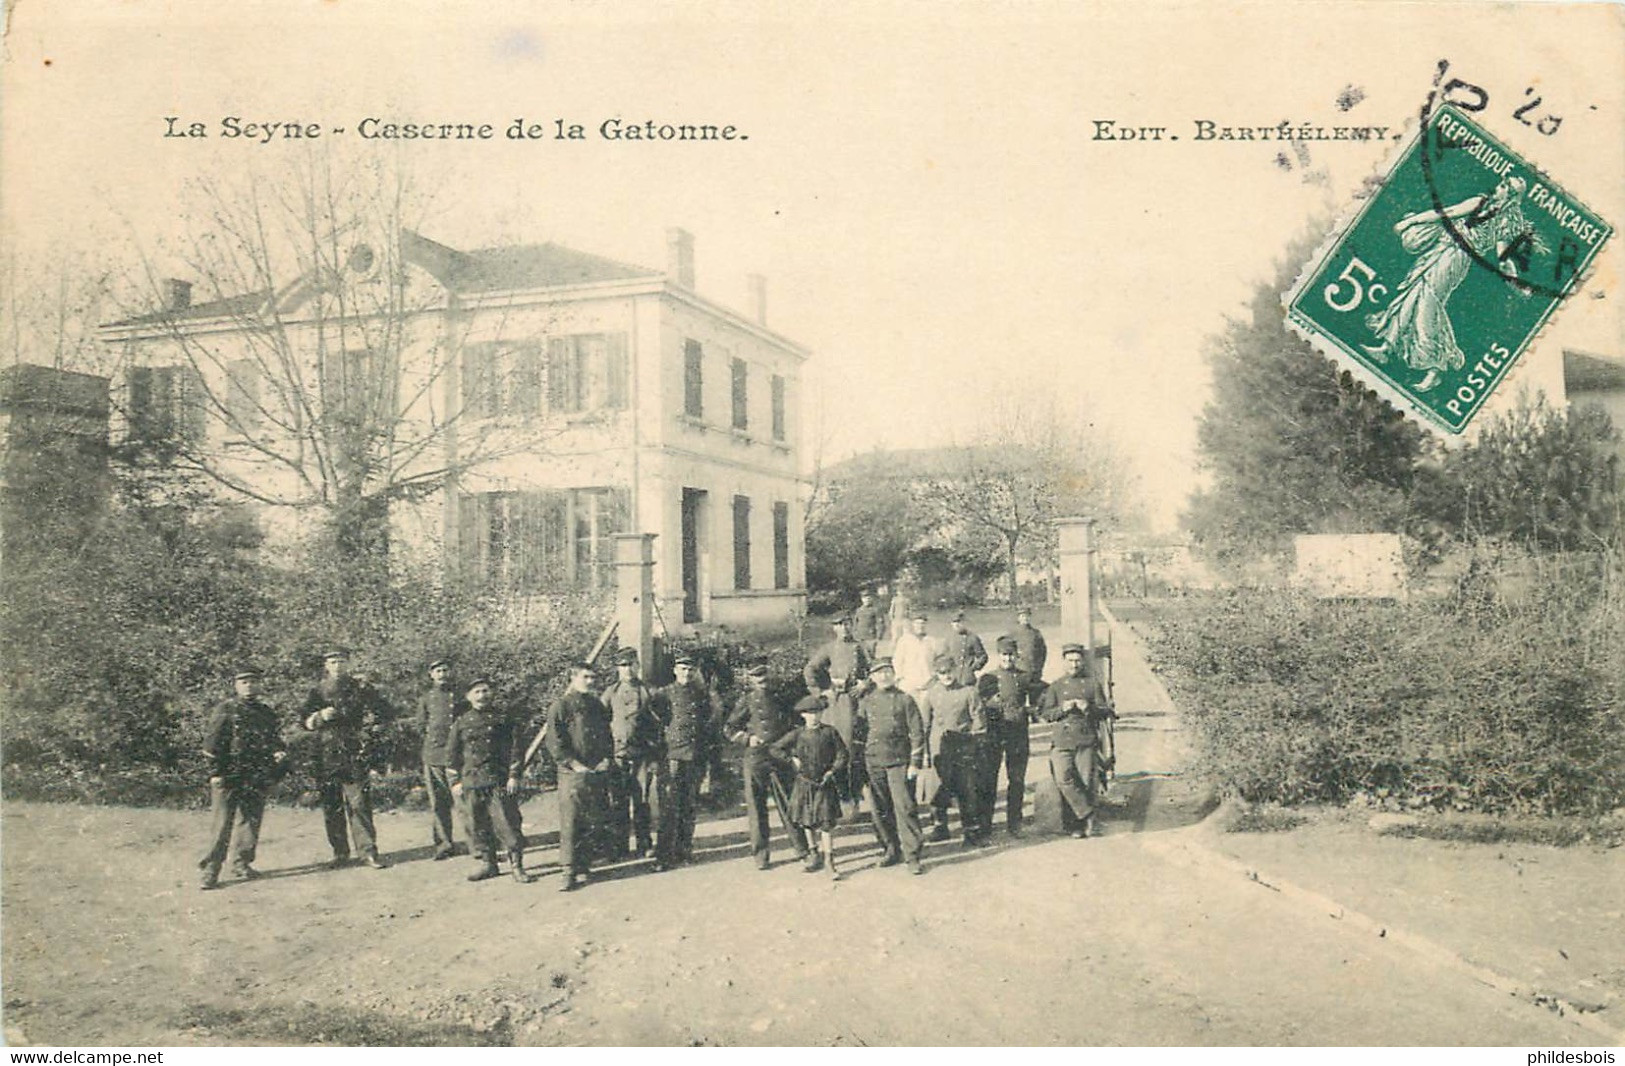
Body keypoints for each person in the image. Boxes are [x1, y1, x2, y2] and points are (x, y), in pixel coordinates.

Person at [1363, 175, 1540, 392]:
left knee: (1428, 304)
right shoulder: (1479, 202)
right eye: (1501, 183)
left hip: (1456, 259)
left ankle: (1435, 366)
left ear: (1512, 196)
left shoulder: (1505, 223)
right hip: (1441, 248)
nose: (1498, 187)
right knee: (1412, 293)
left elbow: (1503, 259)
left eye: (1504, 186)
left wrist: (1517, 283)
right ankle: (1387, 347)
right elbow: (1446, 213)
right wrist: (1412, 221)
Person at [300, 648, 394, 870]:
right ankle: (340, 853)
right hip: (326, 754)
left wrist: (371, 730)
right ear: (326, 666)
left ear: (348, 663)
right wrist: (319, 716)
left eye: (341, 661)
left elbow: (386, 712)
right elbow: (303, 720)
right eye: (333, 662)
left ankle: (368, 852)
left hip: (355, 752)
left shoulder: (361, 688)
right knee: (332, 805)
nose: (337, 666)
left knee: (359, 803)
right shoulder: (317, 691)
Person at [198, 667, 288, 890]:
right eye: (244, 682)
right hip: (229, 773)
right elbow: (211, 745)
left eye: (252, 681)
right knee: (222, 823)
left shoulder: (266, 712)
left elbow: (275, 740)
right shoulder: (225, 709)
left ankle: (241, 863)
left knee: (250, 819)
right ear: (236, 685)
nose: (248, 685)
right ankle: (211, 870)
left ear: (259, 685)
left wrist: (278, 752)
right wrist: (215, 773)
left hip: (256, 773)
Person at [446, 677, 533, 884]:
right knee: (478, 825)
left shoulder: (503, 719)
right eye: (477, 692)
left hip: (498, 780)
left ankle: (517, 866)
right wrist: (455, 781)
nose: (482, 695)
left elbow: (515, 750)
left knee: (508, 823)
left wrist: (514, 776)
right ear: (468, 697)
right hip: (472, 782)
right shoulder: (461, 722)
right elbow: (451, 754)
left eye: (485, 691)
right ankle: (489, 864)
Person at [724, 661, 807, 870]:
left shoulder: (781, 697)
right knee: (756, 807)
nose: (762, 682)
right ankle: (761, 855)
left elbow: (796, 723)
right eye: (757, 678)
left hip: (779, 756)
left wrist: (788, 745)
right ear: (750, 680)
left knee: (789, 803)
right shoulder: (746, 701)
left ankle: (802, 849)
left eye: (764, 677)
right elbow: (729, 728)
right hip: (756, 758)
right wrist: (747, 739)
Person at [547, 662, 616, 891]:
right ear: (573, 677)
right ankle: (568, 870)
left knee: (592, 818)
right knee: (571, 821)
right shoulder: (561, 706)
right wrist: (574, 765)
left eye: (593, 677)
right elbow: (555, 743)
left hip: (596, 770)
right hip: (572, 774)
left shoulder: (596, 705)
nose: (590, 681)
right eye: (585, 677)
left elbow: (607, 735)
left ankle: (584, 865)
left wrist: (607, 758)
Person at [1037, 643, 1115, 839]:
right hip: (1062, 740)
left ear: (1082, 662)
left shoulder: (1092, 684)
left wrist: (1088, 707)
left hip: (1085, 738)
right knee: (1063, 778)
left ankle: (1079, 827)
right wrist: (1061, 709)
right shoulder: (1055, 686)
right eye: (1070, 660)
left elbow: (1105, 711)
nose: (1074, 664)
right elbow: (1046, 714)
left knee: (1086, 782)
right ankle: (1087, 815)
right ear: (1064, 662)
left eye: (1077, 660)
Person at [858, 659, 926, 875]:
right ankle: (890, 849)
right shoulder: (866, 701)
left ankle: (912, 855)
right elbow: (859, 734)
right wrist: (861, 764)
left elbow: (917, 733)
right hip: (874, 761)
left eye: (888, 672)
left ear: (894, 674)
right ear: (872, 677)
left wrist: (914, 763)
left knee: (904, 807)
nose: (884, 676)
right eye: (879, 673)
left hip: (899, 762)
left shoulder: (905, 699)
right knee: (880, 810)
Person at [771, 695, 850, 879]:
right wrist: (792, 760)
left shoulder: (830, 732)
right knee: (806, 820)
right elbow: (775, 748)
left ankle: (830, 861)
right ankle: (813, 854)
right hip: (804, 782)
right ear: (803, 716)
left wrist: (832, 771)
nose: (814, 716)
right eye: (809, 713)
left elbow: (842, 754)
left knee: (826, 823)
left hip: (824, 783)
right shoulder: (797, 734)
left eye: (817, 713)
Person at [655, 654, 722, 869]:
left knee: (689, 807)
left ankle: (684, 851)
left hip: (694, 756)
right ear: (675, 671)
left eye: (690, 670)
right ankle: (663, 856)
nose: (687, 673)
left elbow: (709, 724)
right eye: (683, 669)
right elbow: (651, 722)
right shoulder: (663, 694)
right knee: (669, 808)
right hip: (673, 756)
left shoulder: (701, 695)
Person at [916, 652, 988, 846]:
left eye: (949, 671)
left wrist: (972, 744)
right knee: (937, 789)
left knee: (966, 789)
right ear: (936, 674)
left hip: (963, 748)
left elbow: (979, 722)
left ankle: (970, 830)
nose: (946, 676)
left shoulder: (968, 692)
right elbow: (923, 725)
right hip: (938, 749)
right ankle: (940, 827)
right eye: (941, 673)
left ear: (956, 670)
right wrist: (924, 753)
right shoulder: (931, 694)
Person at [602, 647, 665, 861]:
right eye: (623, 665)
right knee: (618, 801)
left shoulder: (649, 691)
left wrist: (655, 756)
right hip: (618, 756)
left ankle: (644, 843)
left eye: (631, 664)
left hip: (642, 756)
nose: (627, 669)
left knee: (642, 801)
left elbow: (660, 725)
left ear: (637, 665)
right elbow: (600, 723)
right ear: (617, 668)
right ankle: (619, 846)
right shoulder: (611, 692)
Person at [977, 637, 1041, 837]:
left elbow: (1042, 697)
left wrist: (1029, 710)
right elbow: (978, 707)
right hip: (994, 735)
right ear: (999, 655)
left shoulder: (1024, 677)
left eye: (1011, 654)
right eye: (1004, 655)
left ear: (1016, 655)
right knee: (989, 779)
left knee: (1016, 779)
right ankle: (985, 825)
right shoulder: (988, 678)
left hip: (1018, 734)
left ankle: (1014, 823)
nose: (1008, 658)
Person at [417, 658, 463, 860]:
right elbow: (420, 726)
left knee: (464, 800)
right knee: (439, 802)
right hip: (434, 754)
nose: (442, 674)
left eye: (445, 670)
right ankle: (444, 844)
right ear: (431, 675)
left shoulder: (460, 696)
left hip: (458, 755)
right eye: (438, 671)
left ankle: (478, 844)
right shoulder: (426, 698)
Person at [803, 616, 871, 697]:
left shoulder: (861, 646)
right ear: (834, 628)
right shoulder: (829, 648)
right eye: (840, 625)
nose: (844, 628)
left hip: (860, 694)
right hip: (838, 696)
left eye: (847, 624)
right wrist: (819, 691)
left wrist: (865, 683)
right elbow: (810, 668)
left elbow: (874, 668)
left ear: (852, 626)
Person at [891, 610, 938, 701]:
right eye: (917, 623)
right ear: (912, 624)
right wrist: (900, 678)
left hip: (927, 683)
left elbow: (937, 661)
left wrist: (933, 678)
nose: (920, 626)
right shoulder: (904, 640)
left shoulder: (931, 641)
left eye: (923, 623)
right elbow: (897, 661)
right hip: (909, 683)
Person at [946, 610, 988, 688]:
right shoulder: (948, 639)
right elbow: (944, 657)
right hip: (953, 678)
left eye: (959, 622)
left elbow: (983, 656)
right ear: (951, 624)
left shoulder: (972, 638)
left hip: (968, 678)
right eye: (954, 622)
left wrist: (973, 668)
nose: (957, 625)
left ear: (964, 623)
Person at [1007, 606, 1048, 681]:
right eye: (1022, 616)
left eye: (1027, 616)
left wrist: (1039, 666)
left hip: (1034, 669)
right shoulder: (1013, 633)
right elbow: (1008, 649)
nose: (1025, 618)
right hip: (1020, 669)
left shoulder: (1036, 633)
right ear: (1018, 618)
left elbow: (1043, 651)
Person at [851, 590, 887, 658]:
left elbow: (880, 623)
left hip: (871, 637)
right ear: (862, 599)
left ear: (872, 599)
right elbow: (855, 623)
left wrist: (879, 636)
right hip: (860, 638)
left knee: (870, 656)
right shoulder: (859, 610)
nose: (867, 600)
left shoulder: (875, 610)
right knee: (860, 657)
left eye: (869, 598)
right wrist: (855, 634)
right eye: (865, 598)